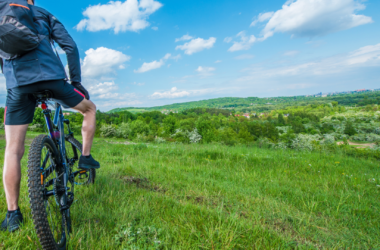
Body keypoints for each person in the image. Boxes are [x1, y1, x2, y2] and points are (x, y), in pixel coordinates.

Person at [1, 0, 100, 232]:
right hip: (53, 78)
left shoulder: (2, 14)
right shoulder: (44, 14)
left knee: (13, 150)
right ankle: (85, 157)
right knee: (90, 109)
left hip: (18, 84)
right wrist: (76, 81)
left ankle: (13, 214)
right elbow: (70, 47)